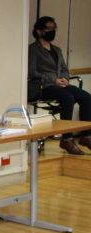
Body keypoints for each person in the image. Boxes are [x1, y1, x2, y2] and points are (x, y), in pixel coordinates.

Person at [29, 16, 91, 155]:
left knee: (86, 97)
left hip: (59, 85)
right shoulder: (33, 49)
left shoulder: (57, 50)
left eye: (53, 28)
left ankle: (87, 136)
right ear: (39, 31)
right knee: (68, 97)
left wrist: (64, 78)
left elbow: (63, 67)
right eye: (48, 28)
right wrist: (54, 80)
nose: (52, 31)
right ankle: (67, 138)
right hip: (43, 87)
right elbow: (32, 72)